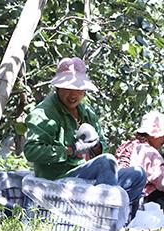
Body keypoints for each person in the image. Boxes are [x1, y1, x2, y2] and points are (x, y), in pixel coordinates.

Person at [24, 57, 147, 211]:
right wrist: (70, 150)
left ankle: (121, 220)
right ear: (57, 88)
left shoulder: (86, 112)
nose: (73, 95)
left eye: (78, 89)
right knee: (106, 162)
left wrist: (95, 145)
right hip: (57, 181)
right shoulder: (44, 113)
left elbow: (103, 147)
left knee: (138, 175)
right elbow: (31, 151)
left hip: (84, 179)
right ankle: (104, 219)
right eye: (67, 88)